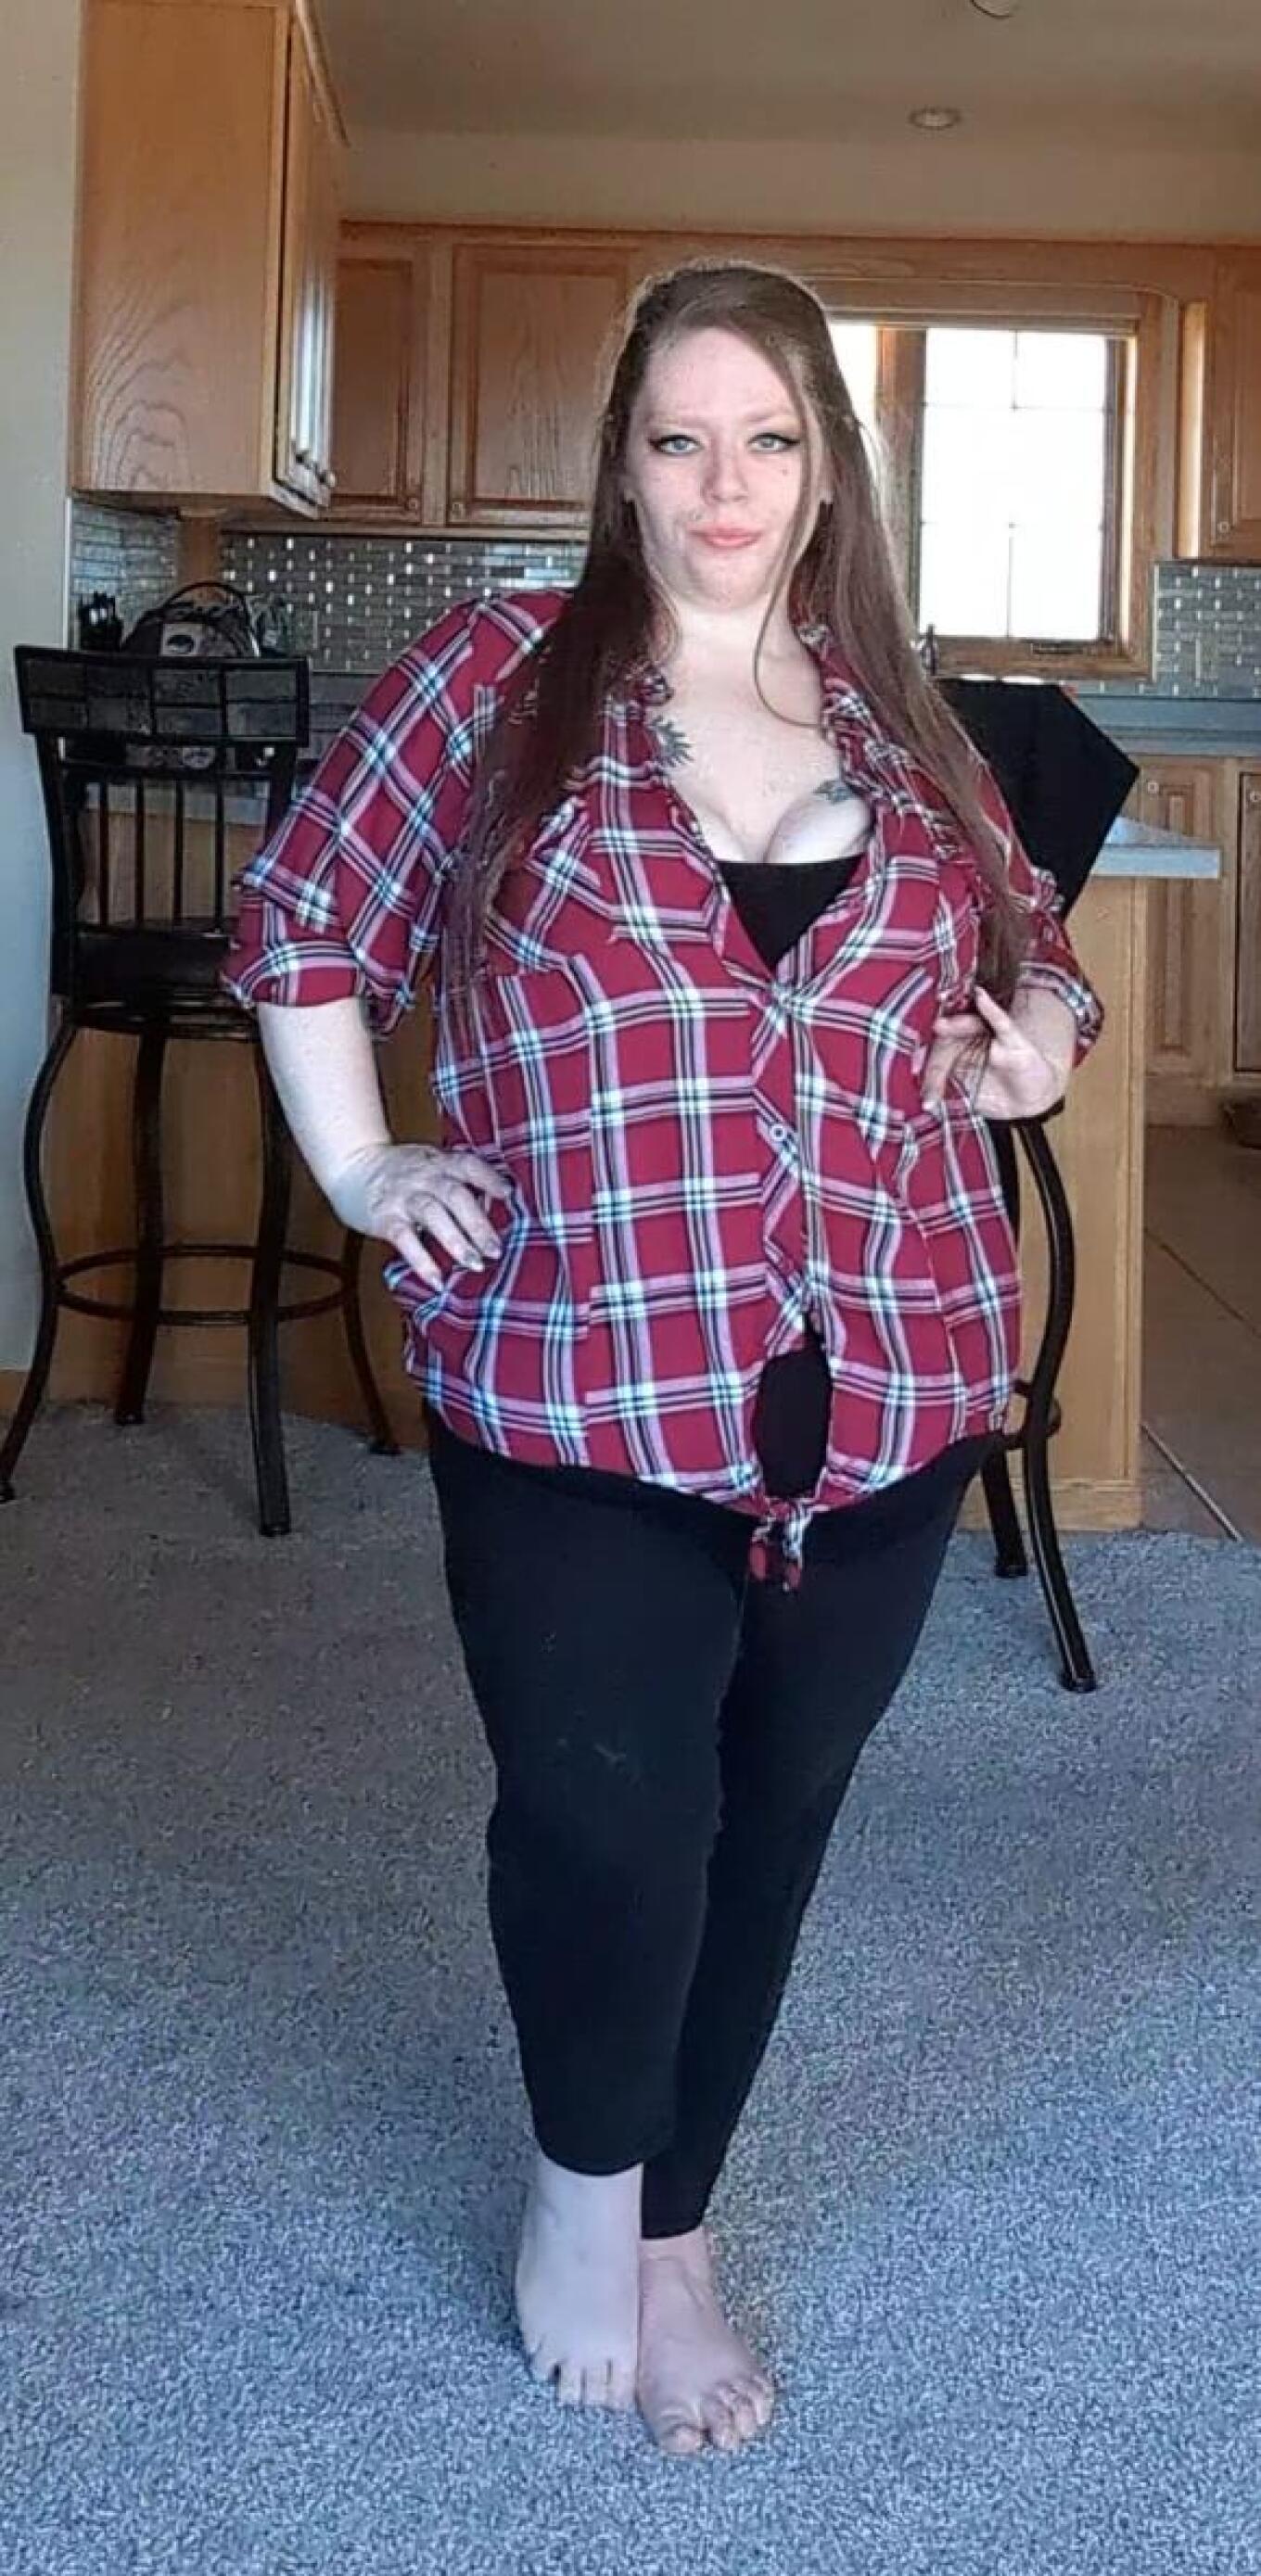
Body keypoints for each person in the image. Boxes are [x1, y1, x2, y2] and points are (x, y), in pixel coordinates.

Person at [222, 260, 1103, 2459]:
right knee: (605, 1816)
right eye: (679, 437)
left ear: (826, 469)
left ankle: (678, 2229)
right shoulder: (498, 675)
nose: (725, 483)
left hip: (889, 1377)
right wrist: (359, 1163)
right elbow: (305, 919)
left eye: (768, 438)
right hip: (576, 1382)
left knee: (772, 1819)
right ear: (619, 461)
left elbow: (1040, 964)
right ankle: (580, 2190)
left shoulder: (898, 719)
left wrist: (1031, 1048)